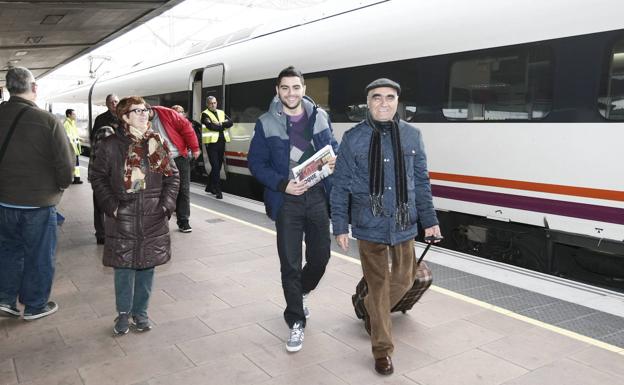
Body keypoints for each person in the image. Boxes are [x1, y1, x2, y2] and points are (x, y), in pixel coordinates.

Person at [330, 78, 442, 375]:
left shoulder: (412, 136)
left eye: (389, 97)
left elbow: (421, 182)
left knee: (404, 280)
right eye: (377, 97)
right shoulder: (353, 138)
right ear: (368, 102)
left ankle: (369, 308)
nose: (383, 103)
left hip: (403, 222)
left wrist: (429, 221)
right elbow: (340, 186)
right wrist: (340, 225)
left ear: (397, 102)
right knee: (379, 287)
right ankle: (382, 349)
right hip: (370, 223)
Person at [248, 66, 338, 353]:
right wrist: (283, 184)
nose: (291, 93)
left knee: (321, 257)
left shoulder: (320, 117)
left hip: (317, 198)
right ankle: (296, 320)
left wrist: (333, 159)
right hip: (287, 201)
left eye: (295, 87)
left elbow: (331, 147)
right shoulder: (265, 123)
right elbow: (256, 164)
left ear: (304, 89)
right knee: (289, 262)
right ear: (278, 91)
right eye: (285, 88)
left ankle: (301, 291)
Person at [90, 96, 179, 335]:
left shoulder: (156, 142)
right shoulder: (110, 145)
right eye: (137, 111)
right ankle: (122, 313)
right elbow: (97, 177)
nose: (144, 114)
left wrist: (165, 207)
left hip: (153, 217)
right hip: (124, 218)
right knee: (124, 268)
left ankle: (140, 312)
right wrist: (113, 207)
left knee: (147, 267)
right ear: (125, 117)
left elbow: (172, 177)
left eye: (145, 110)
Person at [0, 66, 74, 320]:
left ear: (9, 88)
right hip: (37, 204)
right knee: (39, 254)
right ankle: (35, 305)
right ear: (34, 88)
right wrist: (60, 186)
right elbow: (65, 165)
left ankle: (6, 299)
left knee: (8, 250)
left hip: (3, 202)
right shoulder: (47, 120)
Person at [149, 105, 200, 233]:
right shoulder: (139, 121)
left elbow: (186, 128)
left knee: (183, 189)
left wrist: (194, 147)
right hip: (160, 159)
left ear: (149, 109)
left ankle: (183, 221)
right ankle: (162, 219)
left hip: (178, 156)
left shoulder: (167, 113)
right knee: (161, 191)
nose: (143, 116)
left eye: (144, 112)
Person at [91, 94, 120, 244]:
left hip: (116, 169)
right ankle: (101, 233)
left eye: (116, 101)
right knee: (99, 202)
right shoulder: (101, 120)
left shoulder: (123, 117)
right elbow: (94, 141)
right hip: (101, 168)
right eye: (111, 102)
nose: (114, 104)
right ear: (107, 104)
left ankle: (113, 231)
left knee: (114, 201)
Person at [201, 96, 233, 199]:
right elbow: (211, 126)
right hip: (211, 144)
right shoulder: (205, 114)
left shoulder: (221, 112)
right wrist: (223, 125)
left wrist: (219, 124)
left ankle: (209, 186)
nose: (213, 105)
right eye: (211, 103)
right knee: (215, 166)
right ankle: (218, 191)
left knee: (218, 167)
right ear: (207, 104)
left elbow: (231, 122)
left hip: (221, 142)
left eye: (214, 103)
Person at [63, 108, 83, 184]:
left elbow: (74, 135)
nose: (75, 116)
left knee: (76, 164)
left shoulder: (72, 123)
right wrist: (71, 148)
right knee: (72, 164)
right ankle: (70, 178)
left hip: (76, 147)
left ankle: (77, 178)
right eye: (74, 114)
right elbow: (68, 137)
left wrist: (80, 139)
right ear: (69, 115)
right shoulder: (66, 124)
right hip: (72, 148)